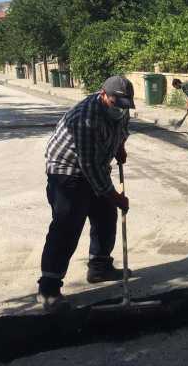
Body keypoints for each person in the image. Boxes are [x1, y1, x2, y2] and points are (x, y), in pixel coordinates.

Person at [37, 75, 135, 313]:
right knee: (67, 225)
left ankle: (99, 268)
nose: (121, 110)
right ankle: (48, 289)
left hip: (96, 165)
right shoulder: (85, 118)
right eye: (117, 104)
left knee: (105, 216)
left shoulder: (120, 109)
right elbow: (89, 166)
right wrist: (116, 197)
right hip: (67, 171)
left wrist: (120, 148)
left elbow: (122, 129)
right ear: (103, 95)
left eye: (125, 106)